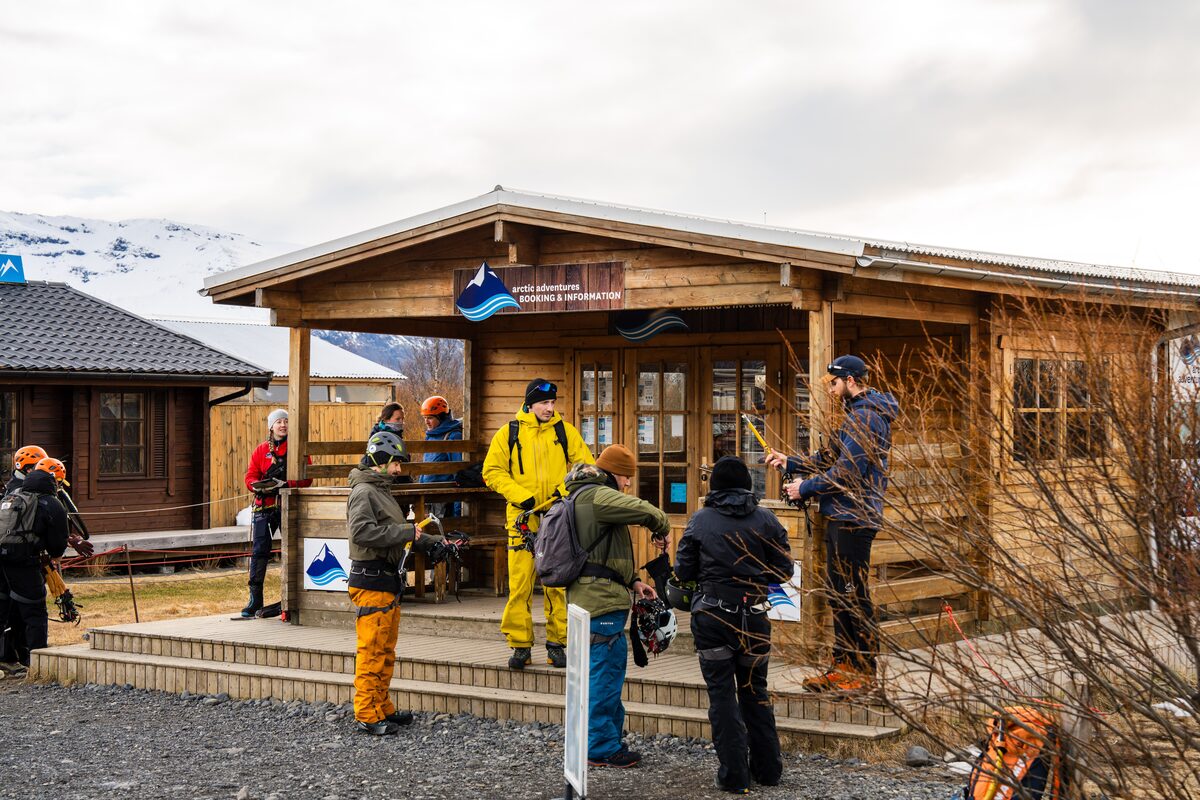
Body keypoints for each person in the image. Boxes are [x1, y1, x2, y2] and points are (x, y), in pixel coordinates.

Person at [765, 354, 898, 693]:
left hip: (854, 516)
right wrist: (790, 461)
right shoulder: (856, 414)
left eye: (835, 383)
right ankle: (844, 665)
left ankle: (861, 670)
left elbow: (847, 471)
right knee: (840, 592)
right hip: (843, 513)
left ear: (851, 381)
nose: (832, 389)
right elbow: (831, 457)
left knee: (852, 593)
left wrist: (804, 487)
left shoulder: (866, 417)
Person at [674, 456, 792, 794]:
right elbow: (785, 570)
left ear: (715, 487)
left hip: (712, 615)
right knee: (756, 691)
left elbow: (683, 572)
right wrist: (754, 581)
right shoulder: (767, 520)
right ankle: (768, 770)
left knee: (722, 695)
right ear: (747, 484)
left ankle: (734, 775)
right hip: (754, 615)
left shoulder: (700, 520)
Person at [563, 445, 671, 768]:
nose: (627, 485)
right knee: (605, 675)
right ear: (612, 473)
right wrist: (662, 526)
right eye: (626, 477)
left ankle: (603, 737)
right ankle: (601, 747)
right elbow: (644, 510)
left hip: (595, 597)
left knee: (601, 672)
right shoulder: (597, 496)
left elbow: (602, 556)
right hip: (600, 605)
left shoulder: (586, 496)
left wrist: (633, 582)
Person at [483, 378, 594, 670]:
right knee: (520, 583)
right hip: (522, 518)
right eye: (544, 403)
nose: (549, 408)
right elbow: (491, 471)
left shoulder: (564, 431)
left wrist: (564, 490)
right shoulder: (510, 433)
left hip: (557, 516)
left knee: (557, 583)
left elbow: (586, 467)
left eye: (552, 403)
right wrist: (523, 497)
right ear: (530, 403)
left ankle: (557, 644)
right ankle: (520, 646)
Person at [346, 430, 445, 735]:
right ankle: (366, 712)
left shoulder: (381, 490)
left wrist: (436, 543)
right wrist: (406, 533)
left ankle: (381, 706)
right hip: (371, 579)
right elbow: (361, 533)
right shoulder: (364, 492)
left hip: (387, 581)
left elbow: (400, 531)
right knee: (372, 650)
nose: (399, 469)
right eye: (395, 463)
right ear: (380, 460)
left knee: (386, 650)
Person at [0, 459, 69, 678]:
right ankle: (39, 664)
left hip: (2, 561)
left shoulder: (11, 496)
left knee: (4, 611)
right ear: (53, 482)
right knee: (35, 612)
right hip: (25, 562)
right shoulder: (51, 503)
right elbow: (58, 545)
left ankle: (7, 659)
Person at [241, 408, 312, 618]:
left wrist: (286, 483)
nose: (283, 425)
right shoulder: (261, 450)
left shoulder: (297, 449)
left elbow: (307, 478)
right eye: (279, 422)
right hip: (265, 506)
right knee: (259, 552)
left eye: (286, 421)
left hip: (287, 505)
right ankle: (255, 599)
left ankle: (292, 597)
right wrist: (258, 485)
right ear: (271, 426)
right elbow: (250, 476)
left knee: (291, 550)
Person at [418, 395, 463, 518]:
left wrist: (457, 509)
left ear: (442, 417)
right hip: (428, 496)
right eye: (425, 418)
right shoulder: (430, 436)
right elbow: (425, 469)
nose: (426, 421)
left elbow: (458, 472)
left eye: (430, 418)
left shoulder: (452, 436)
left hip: (444, 497)